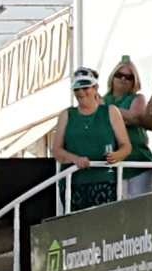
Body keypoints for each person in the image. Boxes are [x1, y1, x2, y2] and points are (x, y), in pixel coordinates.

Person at [52, 66, 123, 200]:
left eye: (85, 87)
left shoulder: (111, 112)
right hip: (73, 183)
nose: (81, 92)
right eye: (77, 89)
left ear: (95, 88)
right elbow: (56, 150)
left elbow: (126, 145)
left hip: (105, 180)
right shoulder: (66, 115)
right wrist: (75, 159)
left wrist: (117, 155)